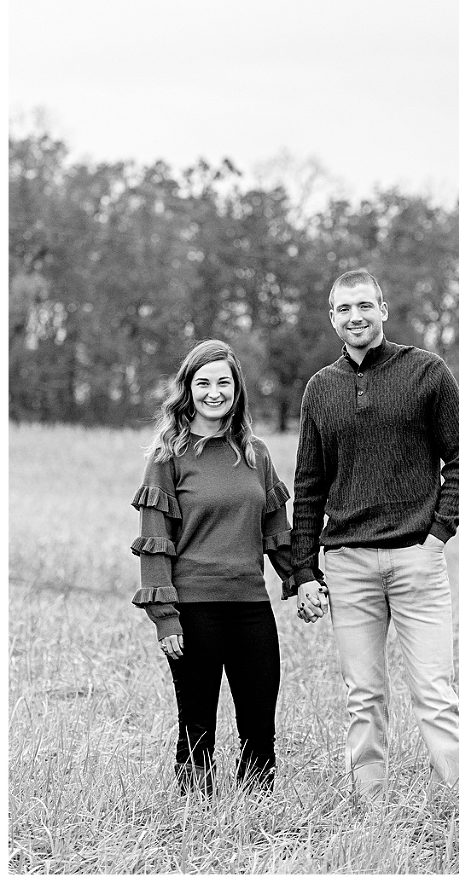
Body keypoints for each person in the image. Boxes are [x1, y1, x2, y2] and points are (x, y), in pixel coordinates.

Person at [291, 269, 459, 803]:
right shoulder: (320, 390)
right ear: (332, 319)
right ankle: (371, 811)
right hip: (348, 564)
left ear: (384, 309)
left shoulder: (426, 373)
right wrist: (304, 571)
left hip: (417, 559)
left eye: (365, 306)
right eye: (344, 309)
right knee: (364, 696)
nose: (356, 317)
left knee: (434, 694)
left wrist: (437, 537)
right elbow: (308, 486)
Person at [130, 338, 299, 795]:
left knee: (260, 725)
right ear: (187, 389)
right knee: (197, 727)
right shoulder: (168, 457)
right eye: (203, 382)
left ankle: (256, 814)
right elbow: (155, 543)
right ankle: (196, 818)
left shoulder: (256, 454)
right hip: (194, 610)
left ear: (237, 388)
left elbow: (276, 534)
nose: (213, 392)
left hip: (250, 607)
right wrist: (165, 619)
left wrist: (302, 580)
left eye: (223, 382)